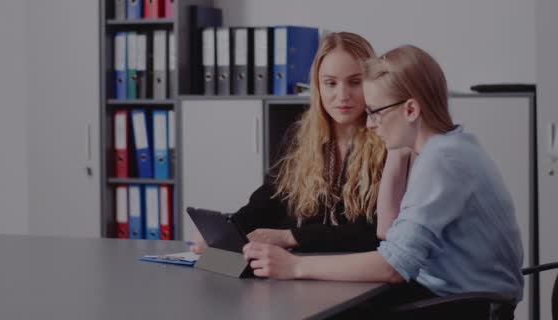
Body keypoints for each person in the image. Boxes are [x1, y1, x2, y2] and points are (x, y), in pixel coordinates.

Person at [242, 45, 524, 316]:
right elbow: (386, 231)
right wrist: (397, 151)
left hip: (465, 307)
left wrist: (295, 266)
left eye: (375, 112)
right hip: (449, 296)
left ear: (410, 110)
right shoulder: (447, 147)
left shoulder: (443, 160)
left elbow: (394, 267)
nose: (369, 124)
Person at [190, 32, 412, 254]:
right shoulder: (302, 135)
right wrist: (227, 231)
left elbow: (375, 231)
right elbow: (270, 199)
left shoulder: (390, 139)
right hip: (299, 268)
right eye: (330, 83)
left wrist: (291, 237)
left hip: (354, 269)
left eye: (355, 82)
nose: (342, 95)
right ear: (317, 86)